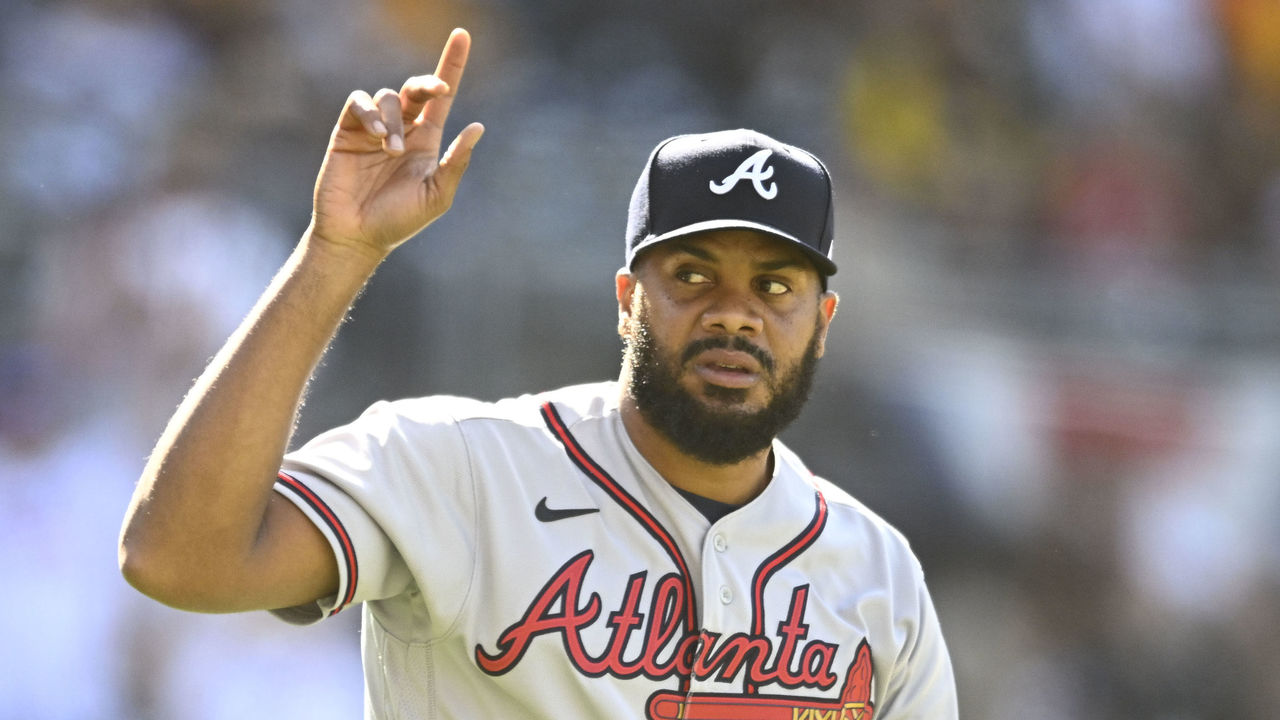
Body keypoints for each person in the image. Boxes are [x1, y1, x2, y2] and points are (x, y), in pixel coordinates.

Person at [119, 28, 958, 719]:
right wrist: (335, 255)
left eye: (774, 286)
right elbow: (178, 559)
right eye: (694, 275)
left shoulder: (878, 576)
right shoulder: (457, 468)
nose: (734, 312)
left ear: (822, 325)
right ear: (628, 301)